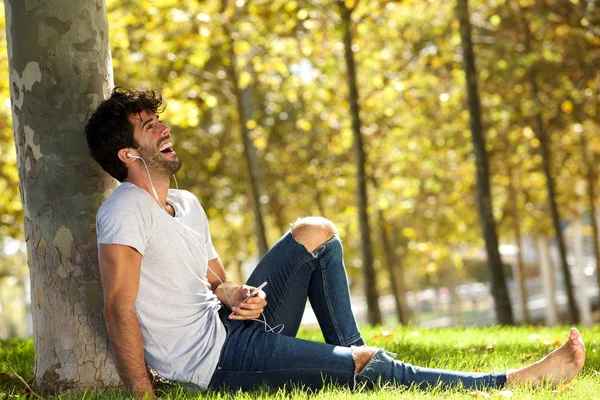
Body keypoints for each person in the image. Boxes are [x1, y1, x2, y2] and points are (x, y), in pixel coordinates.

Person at [85, 87, 586, 399]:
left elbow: (215, 279)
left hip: (231, 326)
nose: (165, 127)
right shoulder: (125, 209)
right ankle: (514, 382)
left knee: (316, 232)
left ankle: (351, 358)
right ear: (129, 152)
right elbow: (117, 308)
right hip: (215, 361)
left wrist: (237, 294)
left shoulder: (187, 203)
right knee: (367, 365)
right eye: (150, 127)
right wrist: (143, 394)